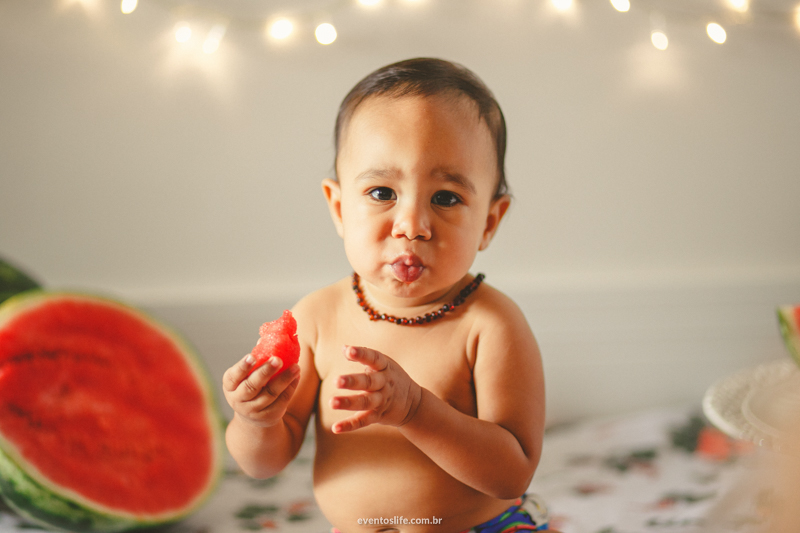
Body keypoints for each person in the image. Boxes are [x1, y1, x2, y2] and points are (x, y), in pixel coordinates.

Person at [223, 58, 547, 533]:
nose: (411, 226)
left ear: (489, 222)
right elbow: (263, 464)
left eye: (445, 197)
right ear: (339, 207)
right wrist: (256, 422)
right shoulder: (317, 317)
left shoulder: (491, 325)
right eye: (381, 193)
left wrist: (417, 411)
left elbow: (512, 473)